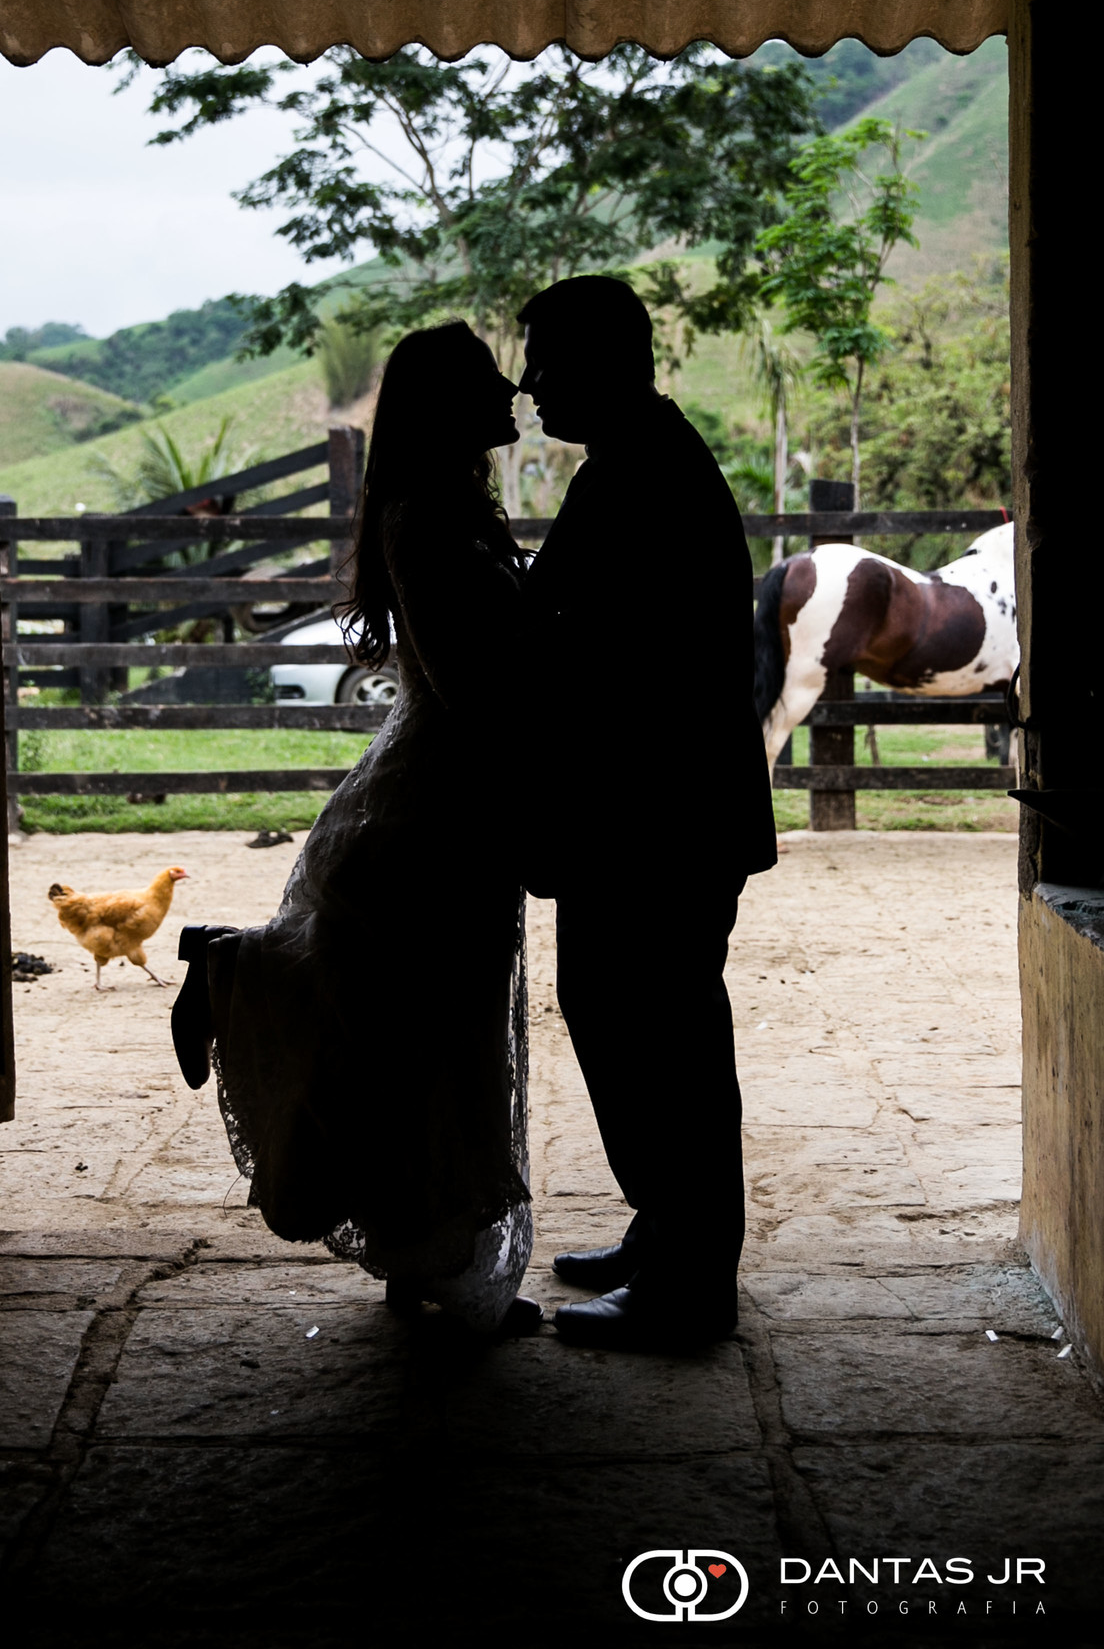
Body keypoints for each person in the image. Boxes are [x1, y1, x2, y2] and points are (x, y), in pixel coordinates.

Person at [171, 321, 540, 1336]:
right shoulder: (429, 521)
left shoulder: (451, 510)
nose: (510, 389)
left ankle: (424, 1263)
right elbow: (472, 688)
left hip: (442, 793)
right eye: (486, 380)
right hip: (436, 809)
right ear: (445, 408)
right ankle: (230, 971)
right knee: (424, 1038)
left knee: (411, 1034)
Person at [516, 275, 777, 1350]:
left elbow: (587, 638)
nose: (529, 385)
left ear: (600, 362)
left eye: (544, 361)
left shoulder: (642, 479)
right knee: (647, 1026)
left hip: (654, 819)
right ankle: (666, 1230)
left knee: (656, 1038)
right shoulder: (638, 463)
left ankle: (688, 1283)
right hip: (658, 813)